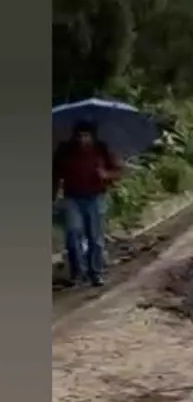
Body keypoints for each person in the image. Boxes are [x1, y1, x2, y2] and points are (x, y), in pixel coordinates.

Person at [53, 120, 121, 287]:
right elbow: (55, 174)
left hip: (95, 197)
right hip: (72, 198)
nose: (83, 139)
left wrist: (106, 174)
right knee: (73, 234)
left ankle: (96, 273)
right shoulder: (65, 150)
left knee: (95, 237)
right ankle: (78, 273)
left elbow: (117, 171)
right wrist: (52, 196)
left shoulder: (101, 149)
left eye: (87, 136)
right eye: (80, 136)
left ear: (93, 136)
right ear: (75, 136)